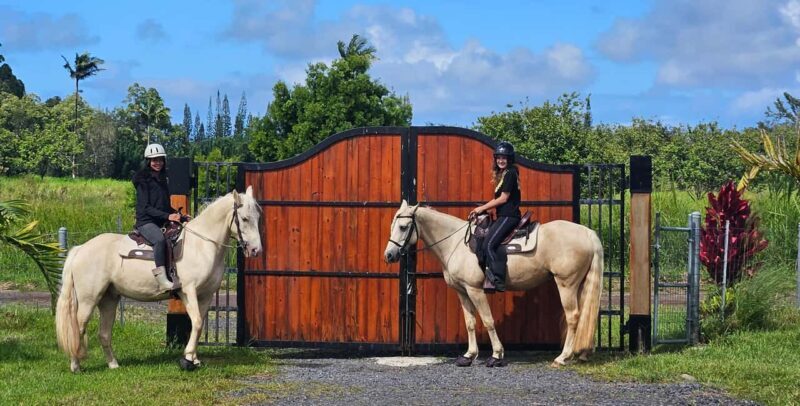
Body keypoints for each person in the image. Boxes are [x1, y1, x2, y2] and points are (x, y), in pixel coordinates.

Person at [468, 141, 521, 292]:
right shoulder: (503, 174)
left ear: (509, 159)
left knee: (488, 245)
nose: (501, 160)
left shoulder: (511, 173)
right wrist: (482, 209)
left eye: (504, 158)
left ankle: (497, 280)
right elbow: (497, 200)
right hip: (502, 215)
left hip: (509, 216)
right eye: (498, 158)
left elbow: (503, 198)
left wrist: (482, 208)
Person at [133, 143, 182, 291]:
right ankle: (163, 281)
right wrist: (168, 215)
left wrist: (179, 216)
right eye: (154, 160)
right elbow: (146, 208)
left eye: (160, 160)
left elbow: (165, 206)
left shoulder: (162, 179)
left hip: (160, 220)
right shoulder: (143, 180)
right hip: (146, 221)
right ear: (148, 161)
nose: (158, 163)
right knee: (160, 240)